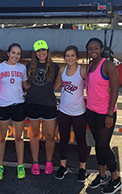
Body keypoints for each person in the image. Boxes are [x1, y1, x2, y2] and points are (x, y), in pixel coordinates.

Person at [85, 38, 122, 194]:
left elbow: (115, 90)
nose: (93, 51)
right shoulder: (90, 66)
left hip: (105, 113)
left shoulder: (107, 65)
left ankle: (115, 179)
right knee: (98, 146)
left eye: (96, 48)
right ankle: (102, 176)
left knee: (103, 146)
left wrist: (109, 114)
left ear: (101, 49)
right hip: (91, 111)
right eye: (90, 49)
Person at [0, 43, 29, 180]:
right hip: (3, 105)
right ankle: (0, 166)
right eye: (13, 53)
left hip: (19, 105)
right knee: (1, 138)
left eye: (18, 53)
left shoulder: (22, 68)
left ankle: (20, 166)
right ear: (8, 53)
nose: (16, 56)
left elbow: (25, 85)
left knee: (19, 137)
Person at [54, 45, 88, 182]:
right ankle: (63, 167)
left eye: (72, 55)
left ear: (77, 57)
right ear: (65, 58)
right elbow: (55, 86)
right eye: (67, 56)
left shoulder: (83, 71)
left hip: (79, 112)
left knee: (81, 141)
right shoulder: (62, 70)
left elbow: (92, 85)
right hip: (63, 111)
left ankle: (82, 168)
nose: (70, 58)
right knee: (63, 140)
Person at [26, 40, 59, 175]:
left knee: (50, 135)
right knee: (34, 135)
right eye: (38, 51)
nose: (41, 53)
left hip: (49, 105)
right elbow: (26, 84)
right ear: (35, 53)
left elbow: (57, 84)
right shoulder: (29, 66)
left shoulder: (55, 67)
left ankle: (49, 161)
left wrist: (48, 91)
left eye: (43, 50)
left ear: (47, 51)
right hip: (33, 104)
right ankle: (35, 162)